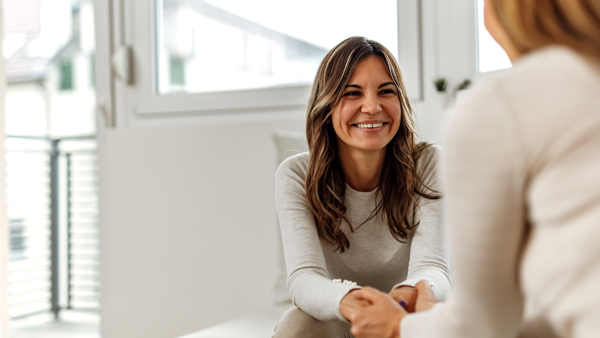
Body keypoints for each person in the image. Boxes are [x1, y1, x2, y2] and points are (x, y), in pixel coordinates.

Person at [341, 0, 600, 337]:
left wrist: (400, 326)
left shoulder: (501, 108)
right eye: (352, 93)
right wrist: (432, 320)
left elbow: (483, 326)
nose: (371, 106)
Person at [272, 36, 451, 337]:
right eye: (352, 93)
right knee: (297, 323)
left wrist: (401, 300)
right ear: (327, 106)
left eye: (386, 91)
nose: (371, 106)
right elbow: (304, 278)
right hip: (341, 316)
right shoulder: (295, 174)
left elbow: (433, 268)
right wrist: (357, 304)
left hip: (406, 316)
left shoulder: (429, 163)